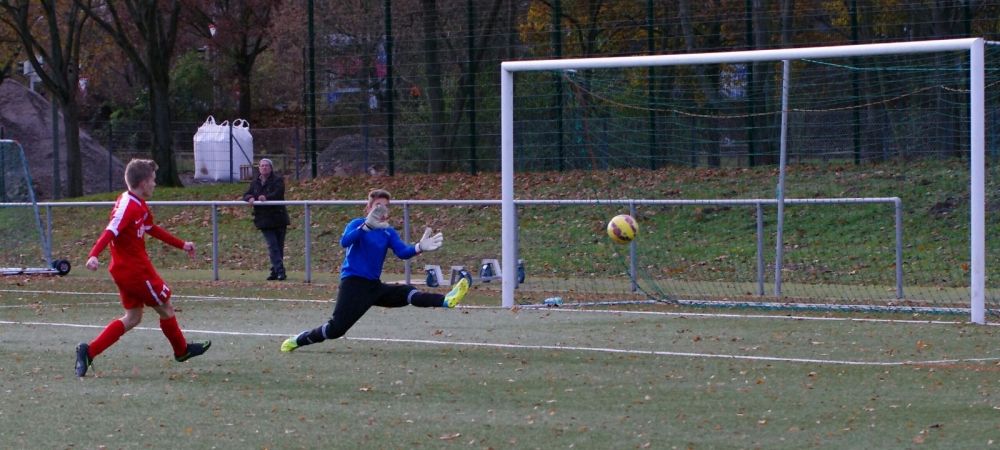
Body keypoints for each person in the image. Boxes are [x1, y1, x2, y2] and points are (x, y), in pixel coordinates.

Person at [280, 189, 469, 353]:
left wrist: (419, 247)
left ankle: (445, 300)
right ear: (368, 208)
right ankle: (299, 340)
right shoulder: (357, 224)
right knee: (335, 330)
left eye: (386, 207)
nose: (382, 211)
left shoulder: (388, 231)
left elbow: (402, 252)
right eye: (378, 206)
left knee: (407, 292)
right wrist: (366, 227)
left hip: (373, 286)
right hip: (354, 284)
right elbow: (344, 242)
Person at [77, 159, 211, 377]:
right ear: (143, 183)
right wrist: (93, 254)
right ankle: (181, 350)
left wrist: (182, 245)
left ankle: (88, 352)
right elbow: (110, 230)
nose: (155, 184)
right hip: (135, 272)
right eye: (153, 180)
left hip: (125, 270)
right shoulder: (127, 206)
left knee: (133, 317)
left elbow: (151, 228)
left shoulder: (137, 203)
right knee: (166, 308)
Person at [242, 158, 291, 280]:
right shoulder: (255, 183)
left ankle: (275, 271)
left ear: (271, 168)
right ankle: (281, 271)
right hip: (264, 219)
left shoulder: (277, 180)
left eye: (266, 165)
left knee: (278, 246)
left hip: (278, 218)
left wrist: (266, 198)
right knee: (272, 245)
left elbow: (278, 193)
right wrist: (249, 198)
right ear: (259, 168)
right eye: (262, 165)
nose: (264, 167)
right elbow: (246, 194)